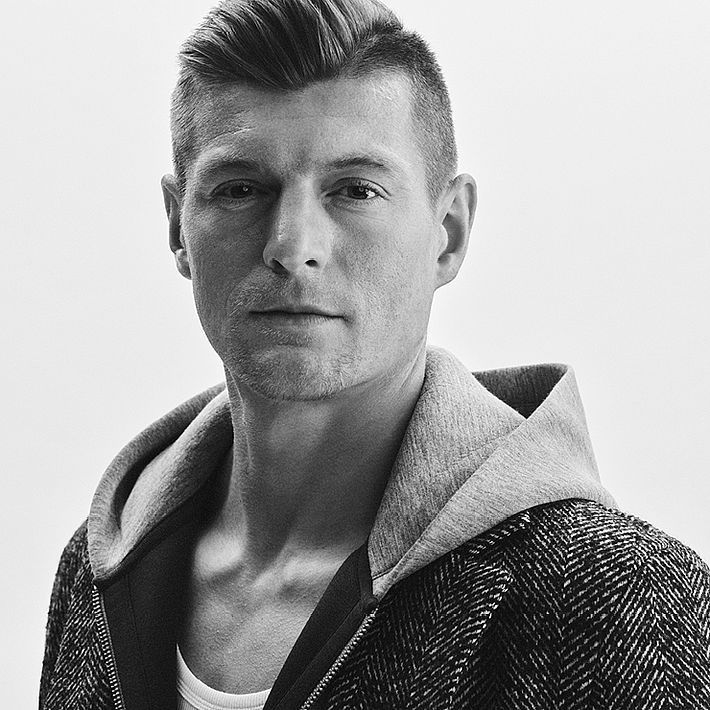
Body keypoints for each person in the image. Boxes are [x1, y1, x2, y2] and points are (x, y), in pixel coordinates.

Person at [39, 0, 710, 708]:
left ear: (449, 231)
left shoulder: (614, 594)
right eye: (240, 190)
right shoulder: (97, 571)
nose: (293, 245)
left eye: (355, 190)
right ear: (179, 226)